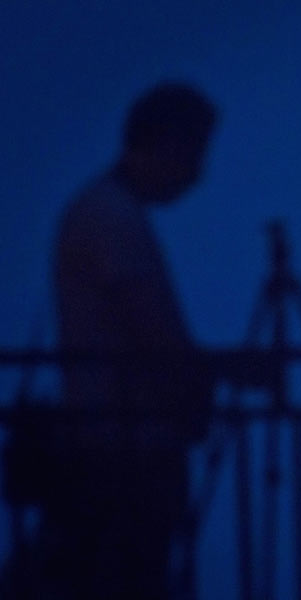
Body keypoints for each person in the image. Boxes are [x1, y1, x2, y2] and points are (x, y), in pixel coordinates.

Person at [14, 82, 217, 599]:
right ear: (163, 143)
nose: (197, 171)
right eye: (192, 153)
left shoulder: (101, 210)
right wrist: (196, 382)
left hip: (113, 446)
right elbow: (153, 328)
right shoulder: (111, 217)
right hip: (122, 453)